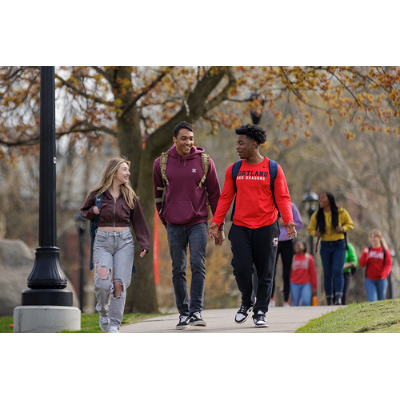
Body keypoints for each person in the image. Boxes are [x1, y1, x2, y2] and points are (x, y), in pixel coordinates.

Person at [209, 124, 296, 328]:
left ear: (254, 144)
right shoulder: (235, 169)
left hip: (267, 226)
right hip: (240, 227)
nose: (237, 147)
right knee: (241, 268)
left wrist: (289, 220)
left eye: (241, 143)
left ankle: (260, 312)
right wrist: (216, 222)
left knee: (266, 271)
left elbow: (282, 196)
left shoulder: (273, 168)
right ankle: (247, 301)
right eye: (237, 143)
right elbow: (226, 198)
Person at [153, 121, 224, 330]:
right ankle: (183, 313)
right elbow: (158, 195)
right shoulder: (161, 163)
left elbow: (215, 195)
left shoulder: (204, 161)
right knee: (178, 268)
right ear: (174, 140)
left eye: (191, 138)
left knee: (198, 264)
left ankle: (196, 311)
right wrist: (165, 218)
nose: (188, 142)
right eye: (184, 138)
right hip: (174, 223)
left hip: (198, 222)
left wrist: (218, 224)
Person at [80, 157, 150, 333]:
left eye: (128, 170)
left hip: (124, 242)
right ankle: (103, 311)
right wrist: (92, 212)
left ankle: (114, 324)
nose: (128, 173)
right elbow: (83, 211)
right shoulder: (97, 195)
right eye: (124, 169)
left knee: (119, 283)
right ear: (114, 172)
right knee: (103, 283)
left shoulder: (130, 196)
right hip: (102, 241)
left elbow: (139, 223)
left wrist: (144, 243)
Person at [307, 192, 354, 305]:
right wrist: (316, 233)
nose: (320, 200)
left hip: (339, 245)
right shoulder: (317, 215)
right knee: (327, 273)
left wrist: (342, 229)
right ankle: (329, 298)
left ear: (330, 199)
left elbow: (350, 224)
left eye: (323, 198)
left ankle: (338, 297)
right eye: (319, 198)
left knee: (337, 271)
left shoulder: (341, 212)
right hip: (325, 245)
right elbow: (310, 229)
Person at [270, 202, 303, 306]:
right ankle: (270, 299)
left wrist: (286, 222)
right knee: (271, 271)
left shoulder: (291, 206)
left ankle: (286, 301)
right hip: (273, 240)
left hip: (287, 241)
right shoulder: (270, 205)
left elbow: (299, 223)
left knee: (287, 272)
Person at [358, 229, 392, 302]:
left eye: (375, 237)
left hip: (381, 279)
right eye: (371, 237)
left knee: (381, 300)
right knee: (372, 300)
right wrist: (365, 254)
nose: (373, 239)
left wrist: (384, 274)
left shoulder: (385, 251)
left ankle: (380, 313)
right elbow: (362, 264)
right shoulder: (368, 249)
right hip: (369, 280)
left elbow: (388, 264)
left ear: (380, 238)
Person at [290, 240, 317, 306]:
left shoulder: (308, 257)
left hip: (306, 284)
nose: (297, 247)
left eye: (299, 245)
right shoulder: (291, 258)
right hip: (294, 284)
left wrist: (314, 286)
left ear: (304, 247)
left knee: (306, 301)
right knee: (295, 303)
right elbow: (287, 273)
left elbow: (313, 273)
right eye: (295, 246)